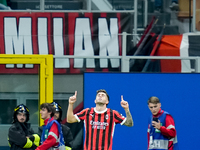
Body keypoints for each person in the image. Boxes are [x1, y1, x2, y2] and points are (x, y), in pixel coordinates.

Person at [67, 89, 134, 150]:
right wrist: (71, 104)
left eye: (103, 95)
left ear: (107, 101)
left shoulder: (113, 114)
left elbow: (129, 123)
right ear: (95, 101)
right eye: (98, 95)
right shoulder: (87, 112)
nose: (100, 96)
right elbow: (70, 119)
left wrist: (126, 109)